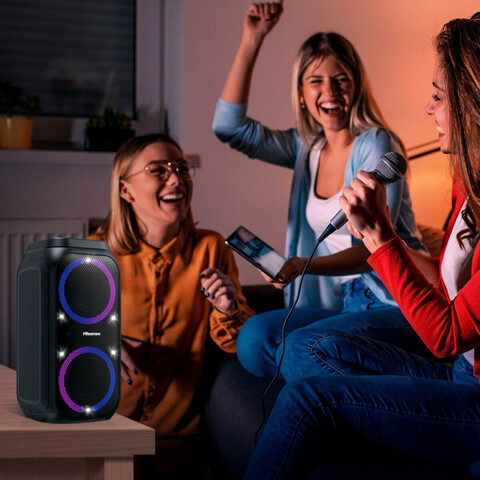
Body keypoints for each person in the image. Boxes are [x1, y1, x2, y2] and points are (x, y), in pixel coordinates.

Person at [243, 12, 480, 479]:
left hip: (470, 392)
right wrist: (383, 239)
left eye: (438, 96)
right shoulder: (465, 184)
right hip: (456, 370)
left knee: (306, 398)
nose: (428, 109)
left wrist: (381, 238)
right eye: (314, 81)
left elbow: (447, 335)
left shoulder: (375, 143)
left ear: (472, 103)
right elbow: (447, 281)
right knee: (292, 345)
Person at [212, 1, 428, 380]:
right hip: (343, 304)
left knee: (298, 349)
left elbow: (376, 249)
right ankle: (344, 374)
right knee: (253, 339)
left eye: (341, 79)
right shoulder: (306, 149)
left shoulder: (375, 143)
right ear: (301, 92)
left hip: (391, 300)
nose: (330, 91)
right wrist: (252, 37)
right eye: (316, 81)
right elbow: (229, 128)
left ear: (356, 86)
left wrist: (303, 265)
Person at [88, 133, 254, 479]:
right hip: (100, 436)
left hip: (178, 447)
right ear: (125, 190)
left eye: (181, 168)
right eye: (158, 170)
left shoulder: (211, 248)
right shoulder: (92, 255)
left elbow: (237, 344)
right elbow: (58, 341)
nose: (176, 178)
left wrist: (227, 310)